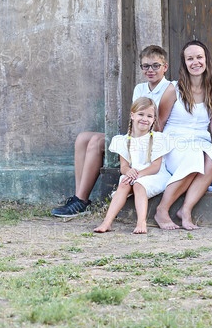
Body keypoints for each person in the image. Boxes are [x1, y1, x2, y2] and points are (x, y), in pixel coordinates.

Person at [53, 46, 170, 218]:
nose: (150, 70)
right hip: (135, 133)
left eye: (155, 66)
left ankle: (81, 200)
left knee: (95, 142)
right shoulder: (140, 88)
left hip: (150, 138)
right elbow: (135, 118)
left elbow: (159, 124)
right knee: (83, 138)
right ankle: (79, 198)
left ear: (165, 67)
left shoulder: (169, 88)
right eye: (145, 66)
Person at [153, 40, 212, 230]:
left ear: (206, 60)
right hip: (174, 143)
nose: (195, 62)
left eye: (199, 57)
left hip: (200, 142)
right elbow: (159, 123)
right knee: (195, 157)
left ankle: (185, 210)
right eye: (190, 59)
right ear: (184, 63)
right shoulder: (174, 89)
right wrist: (153, 156)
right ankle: (162, 210)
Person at [94, 97, 174, 234]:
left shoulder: (158, 138)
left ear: (154, 119)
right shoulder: (123, 140)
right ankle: (107, 222)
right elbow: (124, 167)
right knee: (124, 183)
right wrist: (128, 172)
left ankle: (141, 222)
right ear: (132, 115)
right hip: (135, 174)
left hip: (155, 175)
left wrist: (137, 175)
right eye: (141, 114)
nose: (145, 119)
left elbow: (155, 166)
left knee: (138, 184)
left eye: (149, 116)